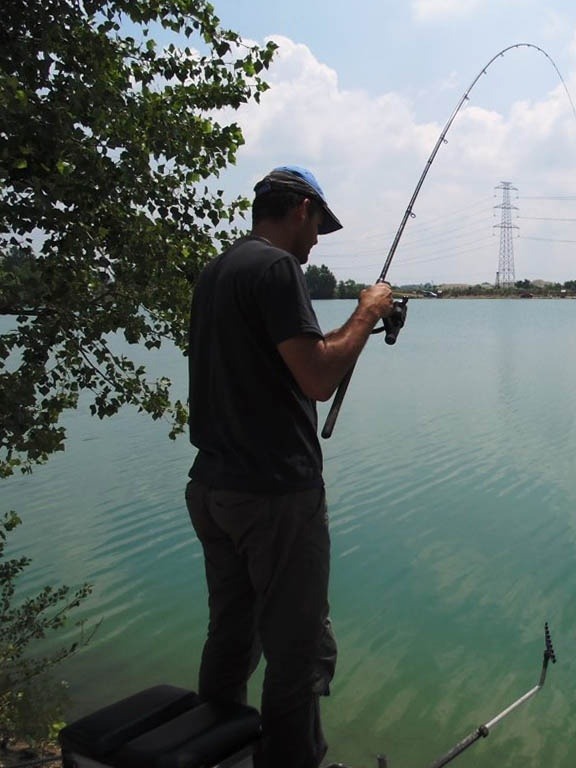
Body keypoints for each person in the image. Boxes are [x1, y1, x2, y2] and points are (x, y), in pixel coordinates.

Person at [185, 166, 393, 768]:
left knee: (230, 635)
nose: (318, 241)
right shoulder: (278, 269)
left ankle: (210, 751)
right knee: (296, 652)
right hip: (274, 496)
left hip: (215, 488)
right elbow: (319, 376)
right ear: (300, 209)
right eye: (319, 226)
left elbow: (290, 355)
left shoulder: (219, 270)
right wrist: (368, 311)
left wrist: (344, 330)